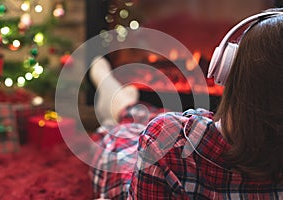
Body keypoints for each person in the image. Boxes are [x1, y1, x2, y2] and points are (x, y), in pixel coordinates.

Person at [89, 9, 283, 200]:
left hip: (128, 177)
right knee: (144, 117)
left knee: (125, 131)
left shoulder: (170, 139)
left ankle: (115, 99)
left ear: (227, 68)